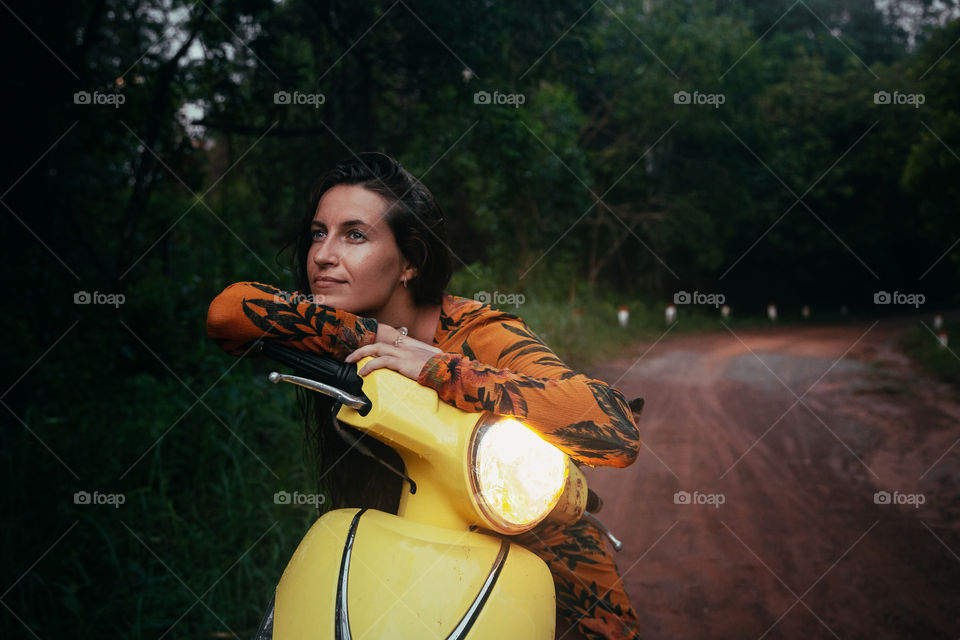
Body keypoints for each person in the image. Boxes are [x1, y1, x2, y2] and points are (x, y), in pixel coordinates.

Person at [205, 152, 644, 639]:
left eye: (354, 235)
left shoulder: (478, 330)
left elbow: (613, 426)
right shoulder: (329, 322)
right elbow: (230, 313)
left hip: (533, 543)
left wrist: (437, 367)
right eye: (317, 233)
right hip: (393, 545)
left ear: (409, 263)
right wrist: (382, 340)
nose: (323, 255)